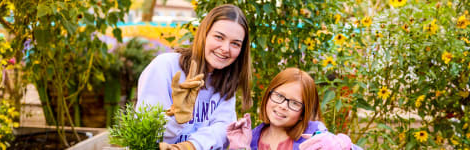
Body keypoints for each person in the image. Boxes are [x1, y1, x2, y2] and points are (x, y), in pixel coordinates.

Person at [136, 4, 252, 150]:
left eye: (235, 44)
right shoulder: (166, 66)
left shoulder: (227, 80)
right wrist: (175, 118)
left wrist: (189, 146)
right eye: (218, 37)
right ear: (203, 34)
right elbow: (143, 134)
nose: (225, 49)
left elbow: (222, 129)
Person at [227, 68, 361, 150]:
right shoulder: (253, 137)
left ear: (304, 112)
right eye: (279, 96)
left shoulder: (314, 134)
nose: (283, 106)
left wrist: (343, 145)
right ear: (268, 95)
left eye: (295, 103)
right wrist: (241, 146)